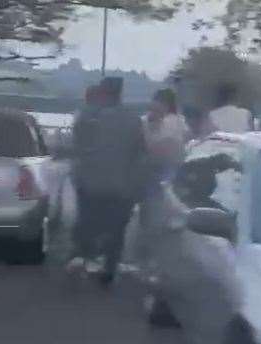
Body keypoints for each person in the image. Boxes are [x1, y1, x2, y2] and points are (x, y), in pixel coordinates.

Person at [70, 77, 146, 285]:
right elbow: (140, 154)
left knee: (88, 223)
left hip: (90, 184)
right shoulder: (133, 120)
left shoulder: (88, 116)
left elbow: (76, 147)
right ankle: (109, 268)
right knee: (116, 230)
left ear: (103, 91)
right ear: (120, 93)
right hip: (121, 187)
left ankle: (85, 260)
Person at [137, 89, 188, 267]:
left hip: (166, 169)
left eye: (159, 102)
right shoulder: (149, 120)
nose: (156, 106)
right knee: (153, 207)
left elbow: (164, 145)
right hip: (158, 170)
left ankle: (152, 249)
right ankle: (151, 249)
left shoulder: (174, 122)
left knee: (159, 206)